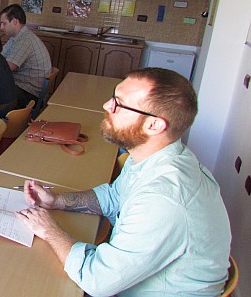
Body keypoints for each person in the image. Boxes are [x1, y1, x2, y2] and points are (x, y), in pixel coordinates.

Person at [16, 67, 231, 296]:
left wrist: (50, 230)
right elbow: (112, 197)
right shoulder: (151, 156)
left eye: (119, 104)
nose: (107, 107)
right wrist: (57, 201)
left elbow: (96, 280)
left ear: (154, 125)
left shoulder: (165, 199)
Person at [0, 4, 51, 108]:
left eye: (3, 24)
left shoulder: (25, 40)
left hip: (30, 94)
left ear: (14, 21)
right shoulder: (17, 37)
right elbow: (0, 57)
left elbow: (7, 68)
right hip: (24, 87)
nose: (1, 28)